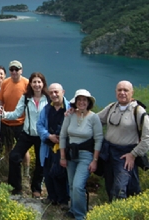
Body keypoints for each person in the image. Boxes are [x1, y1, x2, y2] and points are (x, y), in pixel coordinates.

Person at [97, 80, 149, 201]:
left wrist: (133, 154)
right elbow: (95, 119)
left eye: (126, 90)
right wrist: (76, 112)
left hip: (125, 155)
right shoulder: (112, 107)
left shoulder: (138, 111)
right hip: (109, 153)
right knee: (109, 184)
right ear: (115, 92)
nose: (122, 93)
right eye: (119, 90)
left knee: (120, 188)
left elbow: (147, 138)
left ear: (132, 93)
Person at [0, 72, 48, 198]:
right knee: (14, 156)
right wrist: (4, 114)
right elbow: (17, 113)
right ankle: (16, 188)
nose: (37, 85)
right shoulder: (26, 97)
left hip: (42, 136)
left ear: (43, 83)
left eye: (39, 82)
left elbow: (61, 106)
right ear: (30, 84)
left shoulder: (48, 98)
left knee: (41, 162)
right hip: (27, 133)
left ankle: (36, 189)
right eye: (34, 82)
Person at [59, 89, 103, 220]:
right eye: (79, 100)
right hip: (71, 154)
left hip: (86, 155)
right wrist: (62, 156)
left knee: (78, 185)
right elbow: (62, 136)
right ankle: (73, 209)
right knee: (72, 184)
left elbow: (99, 139)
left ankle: (80, 215)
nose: (82, 102)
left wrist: (95, 160)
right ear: (75, 102)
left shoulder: (94, 117)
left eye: (84, 100)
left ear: (88, 102)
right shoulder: (70, 115)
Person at [37, 83, 70, 209]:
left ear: (63, 92)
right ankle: (52, 197)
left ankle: (63, 200)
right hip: (48, 146)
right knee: (47, 172)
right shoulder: (46, 109)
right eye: (51, 93)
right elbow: (39, 125)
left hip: (63, 148)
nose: (54, 95)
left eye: (56, 92)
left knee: (60, 173)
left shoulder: (69, 109)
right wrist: (48, 136)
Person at [0, 60, 30, 176]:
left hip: (21, 122)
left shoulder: (27, 83)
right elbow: (0, 100)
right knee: (8, 147)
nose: (14, 72)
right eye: (12, 70)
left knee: (24, 149)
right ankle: (9, 170)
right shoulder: (5, 83)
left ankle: (26, 173)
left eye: (16, 69)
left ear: (21, 70)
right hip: (6, 121)